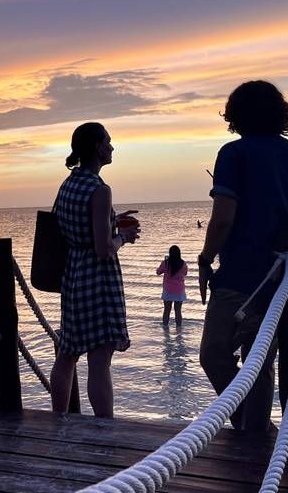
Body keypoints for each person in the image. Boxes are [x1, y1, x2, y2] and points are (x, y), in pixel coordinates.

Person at [197, 80, 288, 433]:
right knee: (259, 362)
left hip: (238, 278)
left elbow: (222, 218)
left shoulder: (233, 154)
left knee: (214, 356)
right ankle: (256, 434)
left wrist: (205, 258)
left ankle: (251, 427)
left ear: (235, 116)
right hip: (282, 283)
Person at [50, 122, 140, 418]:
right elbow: (103, 249)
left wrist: (112, 220)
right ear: (99, 147)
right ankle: (105, 429)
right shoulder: (100, 190)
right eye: (109, 142)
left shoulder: (68, 184)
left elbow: (74, 228)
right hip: (98, 281)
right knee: (100, 362)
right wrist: (123, 236)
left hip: (73, 275)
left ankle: (58, 421)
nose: (112, 147)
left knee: (68, 354)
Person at [156, 245, 187, 327]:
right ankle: (179, 329)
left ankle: (165, 328)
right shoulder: (183, 263)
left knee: (167, 310)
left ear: (170, 253)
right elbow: (185, 273)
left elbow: (158, 272)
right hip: (179, 290)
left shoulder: (165, 263)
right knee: (178, 311)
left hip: (168, 289)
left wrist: (164, 262)